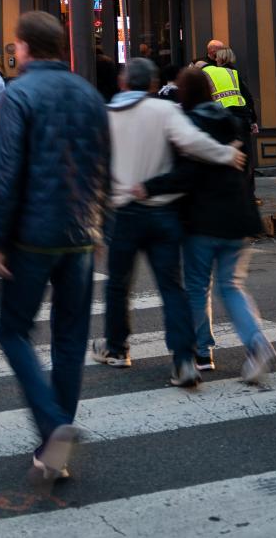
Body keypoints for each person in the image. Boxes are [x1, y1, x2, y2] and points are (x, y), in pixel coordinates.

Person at [0, 12, 110, 483]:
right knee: (70, 337)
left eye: (15, 47)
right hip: (81, 233)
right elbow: (104, 164)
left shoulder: (19, 94)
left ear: (24, 47)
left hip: (32, 236)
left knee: (13, 331)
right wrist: (100, 226)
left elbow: (6, 174)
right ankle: (53, 447)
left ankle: (52, 422)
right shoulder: (88, 93)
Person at [95, 57, 245, 388]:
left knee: (118, 284)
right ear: (152, 85)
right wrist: (225, 153)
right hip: (163, 212)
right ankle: (183, 360)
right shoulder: (165, 112)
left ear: (123, 83)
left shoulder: (106, 116)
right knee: (172, 288)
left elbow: (95, 168)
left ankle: (117, 348)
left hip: (122, 212)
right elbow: (193, 143)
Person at [132, 67, 274, 383]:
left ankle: (201, 351)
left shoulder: (187, 126)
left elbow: (186, 175)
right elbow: (244, 167)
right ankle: (256, 342)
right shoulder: (231, 121)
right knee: (231, 286)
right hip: (238, 218)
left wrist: (149, 187)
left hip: (202, 220)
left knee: (197, 286)